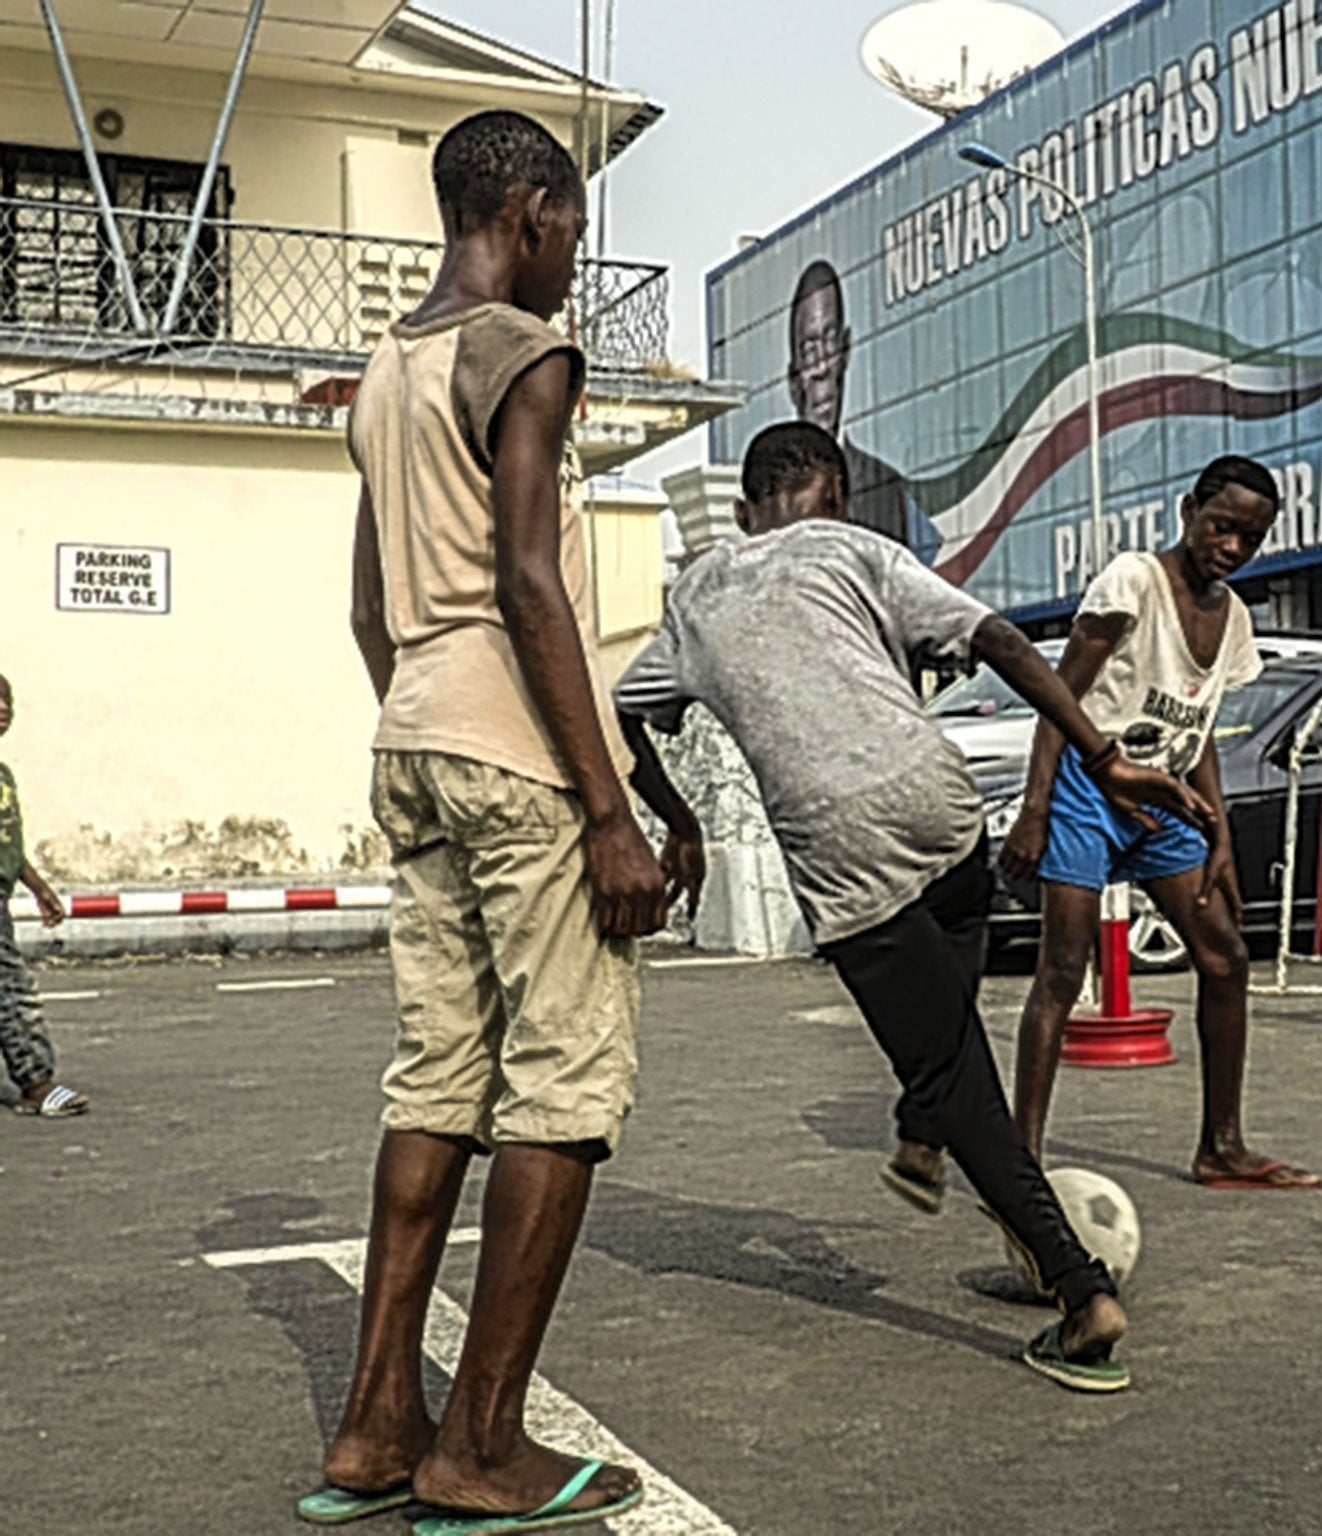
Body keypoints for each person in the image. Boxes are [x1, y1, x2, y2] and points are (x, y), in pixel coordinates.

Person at [614, 421, 1212, 1393]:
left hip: (838, 844)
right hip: (935, 801)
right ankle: (922, 1130)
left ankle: (1079, 1291)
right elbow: (1005, 640)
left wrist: (676, 823)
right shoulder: (857, 549)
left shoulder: (697, 592)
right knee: (960, 928)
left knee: (952, 1072)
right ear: (838, 497)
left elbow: (625, 713)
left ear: (741, 512)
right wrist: (1105, 758)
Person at [308, 110, 676, 1532]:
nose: (576, 256)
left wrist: (426, 715)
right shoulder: (524, 353)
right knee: (565, 1089)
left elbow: (364, 606)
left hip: (412, 735)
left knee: (435, 1081)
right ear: (526, 211)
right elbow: (534, 586)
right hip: (515, 753)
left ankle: (372, 1429)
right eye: (574, 227)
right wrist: (608, 809)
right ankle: (481, 1443)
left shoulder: (385, 373)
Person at [1001, 456, 1322, 1192]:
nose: (1233, 548)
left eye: (1251, 538)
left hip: (1164, 797)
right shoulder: (1133, 582)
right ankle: (1020, 1162)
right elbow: (1058, 696)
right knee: (1062, 969)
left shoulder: (1234, 618)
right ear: (1188, 510)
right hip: (1089, 784)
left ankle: (1222, 1146)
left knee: (1225, 956)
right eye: (1221, 527)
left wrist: (1221, 836)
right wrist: (1035, 807)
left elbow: (1199, 728)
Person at [786, 259, 940, 561]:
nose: (821, 368)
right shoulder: (775, 492)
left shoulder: (887, 487)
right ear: (793, 378)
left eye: (829, 344)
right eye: (809, 350)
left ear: (846, 351)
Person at [0, 673, 88, 1120]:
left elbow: (9, 845)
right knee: (12, 991)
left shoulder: (4, 777)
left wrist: (38, 888)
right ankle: (36, 1083)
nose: (1, 709)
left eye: (6, 700)